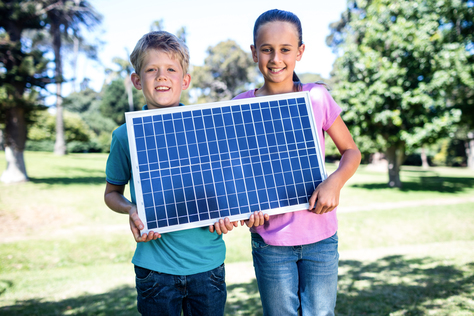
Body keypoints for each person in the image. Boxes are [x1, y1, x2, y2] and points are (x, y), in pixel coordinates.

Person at [232, 9, 362, 316]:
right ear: (254, 53)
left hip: (320, 238)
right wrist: (244, 206)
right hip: (270, 241)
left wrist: (335, 181)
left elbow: (352, 152)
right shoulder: (240, 105)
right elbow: (236, 171)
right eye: (267, 49)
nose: (276, 58)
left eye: (285, 50)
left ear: (300, 52)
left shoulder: (316, 97)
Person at [104, 31, 238, 316]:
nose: (161, 77)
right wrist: (131, 209)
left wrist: (227, 213)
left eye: (170, 70)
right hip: (155, 270)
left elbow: (224, 189)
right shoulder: (124, 136)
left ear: (185, 80)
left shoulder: (207, 130)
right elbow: (111, 193)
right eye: (151, 70)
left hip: (207, 266)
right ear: (137, 80)